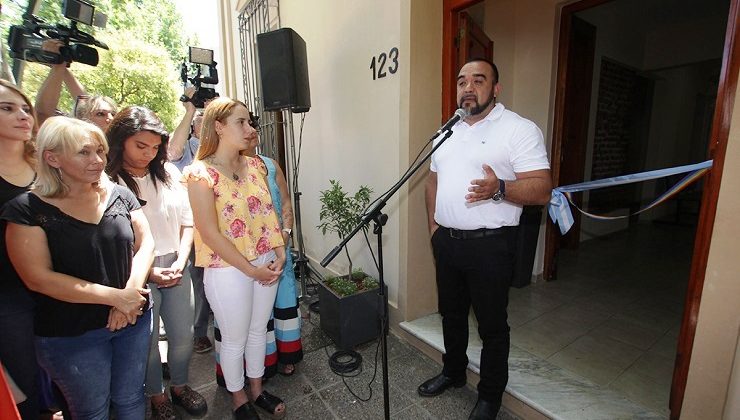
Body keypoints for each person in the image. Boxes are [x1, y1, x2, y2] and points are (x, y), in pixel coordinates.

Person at [419, 58, 552, 420]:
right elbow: (432, 181)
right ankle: (453, 372)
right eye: (462, 81)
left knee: (492, 325)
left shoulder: (518, 129)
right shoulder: (446, 131)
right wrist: (434, 229)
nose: (468, 87)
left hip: (491, 245)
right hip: (447, 241)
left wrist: (500, 189)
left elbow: (542, 189)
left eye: (479, 80)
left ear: (495, 89)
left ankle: (490, 396)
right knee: (451, 315)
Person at [1, 116, 155, 419]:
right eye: (84, 152)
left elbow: (146, 243)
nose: (98, 159)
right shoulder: (26, 210)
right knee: (91, 412)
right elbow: (39, 279)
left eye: (100, 150)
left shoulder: (120, 195)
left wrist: (128, 296)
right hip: (71, 334)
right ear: (52, 157)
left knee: (131, 400)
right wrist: (115, 299)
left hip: (132, 321)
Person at [185, 97, 287, 419]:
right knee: (234, 339)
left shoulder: (257, 165)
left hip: (267, 258)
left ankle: (257, 390)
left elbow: (269, 212)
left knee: (259, 330)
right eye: (240, 122)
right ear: (218, 127)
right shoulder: (200, 174)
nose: (250, 128)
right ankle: (239, 399)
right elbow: (209, 233)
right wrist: (251, 270)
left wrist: (281, 252)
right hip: (228, 269)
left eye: (249, 121)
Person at [106, 106, 207, 419]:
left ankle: (179, 386)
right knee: (147, 345)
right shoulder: (108, 181)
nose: (149, 153)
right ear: (120, 141)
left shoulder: (169, 171)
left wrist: (181, 258)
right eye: (140, 146)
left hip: (176, 264)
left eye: (155, 146)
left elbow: (188, 221)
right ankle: (156, 395)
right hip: (132, 273)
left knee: (183, 335)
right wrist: (148, 271)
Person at [214, 113, 303, 386]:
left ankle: (284, 358)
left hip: (277, 252)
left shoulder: (270, 166)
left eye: (253, 126)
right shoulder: (212, 170)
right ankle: (246, 377)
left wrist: (285, 236)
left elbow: (285, 203)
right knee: (243, 323)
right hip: (237, 260)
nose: (251, 131)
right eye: (243, 125)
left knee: (281, 305)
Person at [0, 79, 38, 420]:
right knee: (24, 383)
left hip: (57, 287)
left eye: (25, 108)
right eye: (7, 108)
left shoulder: (47, 167)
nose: (23, 115)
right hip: (9, 295)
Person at [168, 88, 212, 354]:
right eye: (201, 125)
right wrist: (190, 110)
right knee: (198, 281)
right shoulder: (187, 151)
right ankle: (198, 332)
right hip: (191, 227)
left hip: (220, 225)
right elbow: (173, 149)